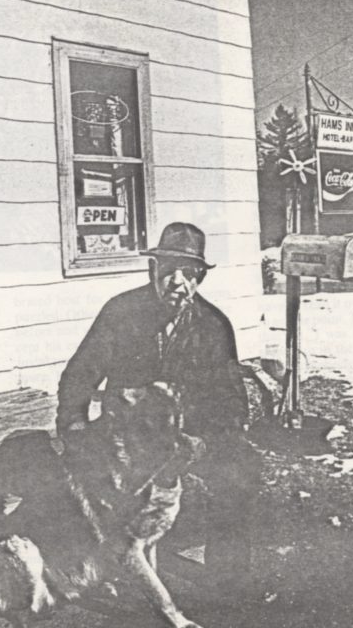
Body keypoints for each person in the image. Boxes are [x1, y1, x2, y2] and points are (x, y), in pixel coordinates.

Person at [57, 222, 262, 583]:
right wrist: (73, 424)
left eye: (189, 273)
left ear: (201, 278)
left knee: (240, 467)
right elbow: (79, 375)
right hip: (125, 436)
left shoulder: (214, 326)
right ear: (153, 270)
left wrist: (206, 442)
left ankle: (228, 580)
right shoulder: (121, 313)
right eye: (169, 271)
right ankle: (108, 567)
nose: (178, 282)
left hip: (185, 438)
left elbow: (230, 400)